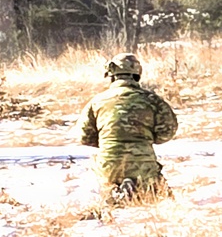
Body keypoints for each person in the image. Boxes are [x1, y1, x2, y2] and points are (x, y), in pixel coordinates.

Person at [74, 53, 178, 202]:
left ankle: (116, 193)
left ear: (111, 75)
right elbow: (167, 131)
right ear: (137, 74)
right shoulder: (152, 100)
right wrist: (146, 138)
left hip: (108, 164)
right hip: (143, 163)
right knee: (158, 199)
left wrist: (108, 141)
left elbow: (83, 136)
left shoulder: (97, 101)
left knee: (110, 195)